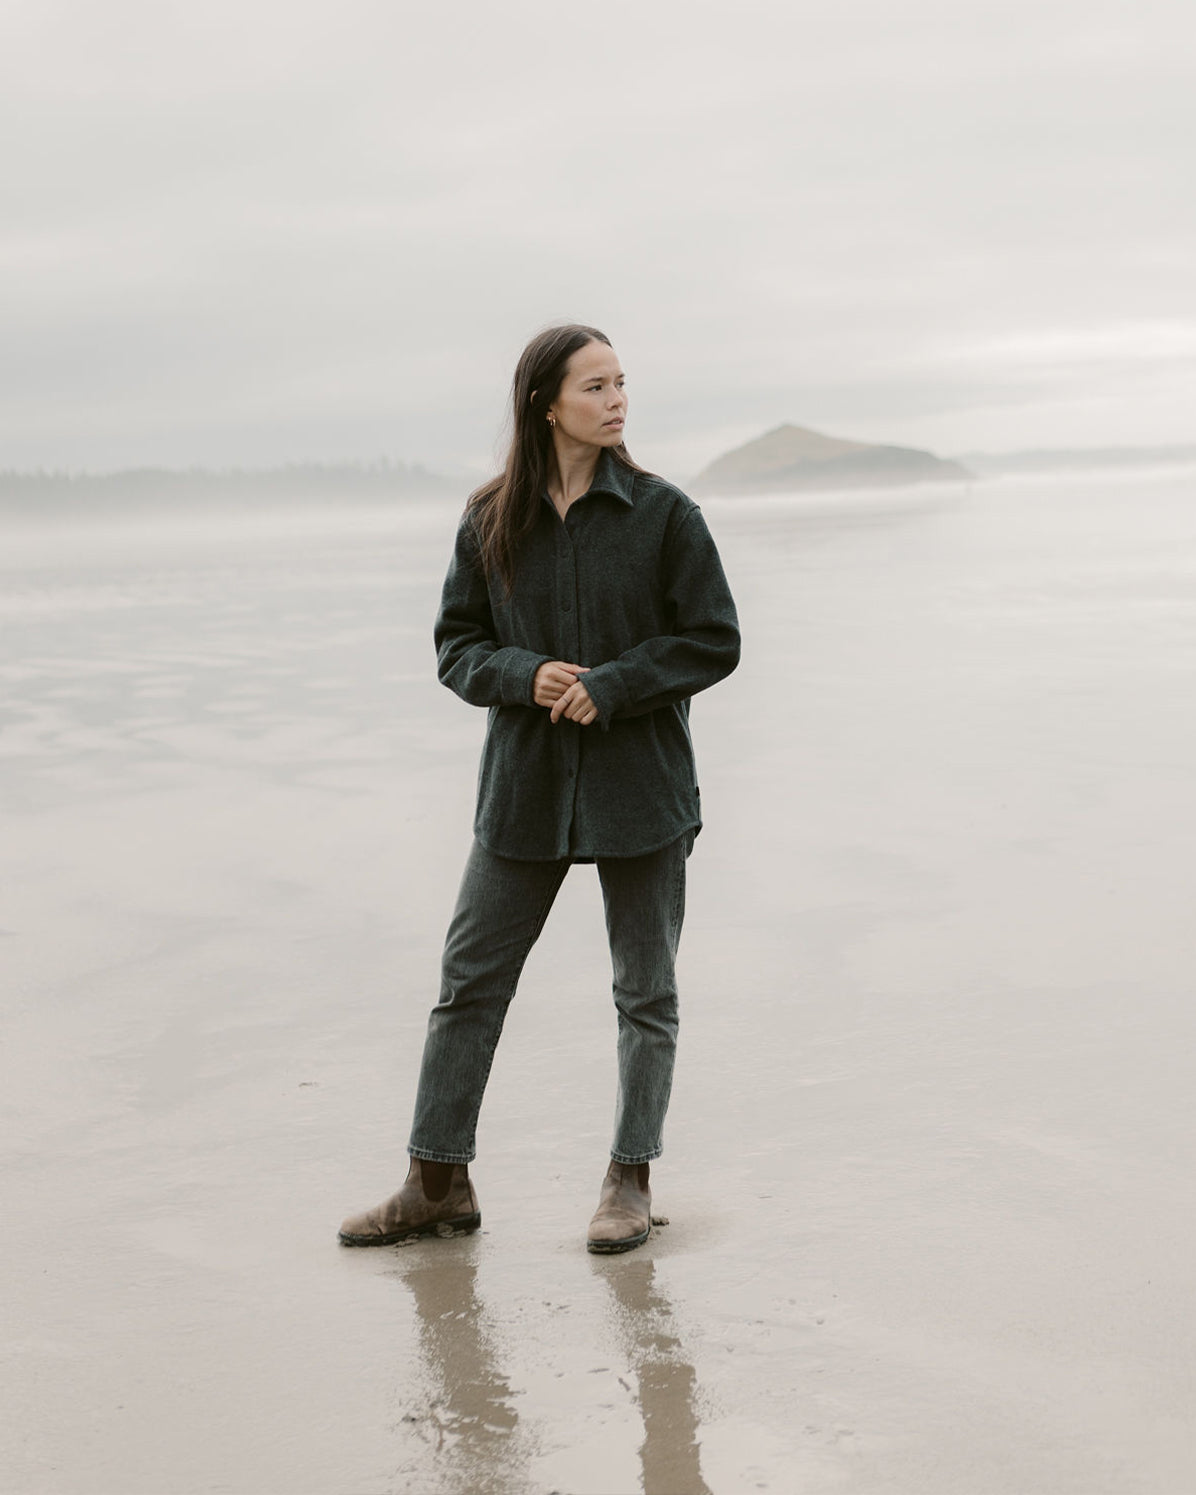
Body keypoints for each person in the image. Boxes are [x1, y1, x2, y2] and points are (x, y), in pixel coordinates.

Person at [338, 324, 740, 1254]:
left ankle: (629, 1181)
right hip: (522, 792)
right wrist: (524, 674)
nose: (617, 400)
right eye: (595, 386)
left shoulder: (665, 514)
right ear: (544, 403)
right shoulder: (489, 519)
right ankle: (436, 1183)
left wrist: (618, 683)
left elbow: (713, 638)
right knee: (468, 985)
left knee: (645, 992)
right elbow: (457, 647)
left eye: (621, 382)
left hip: (642, 789)